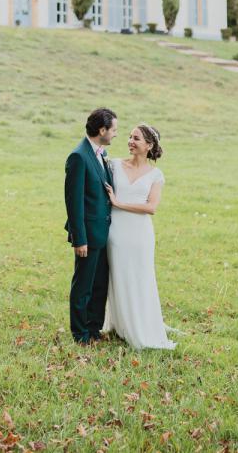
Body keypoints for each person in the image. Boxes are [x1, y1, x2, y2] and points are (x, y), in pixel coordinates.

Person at [101, 123, 177, 349]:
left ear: (149, 145)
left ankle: (140, 325)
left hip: (140, 234)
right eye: (129, 137)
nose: (130, 142)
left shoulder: (155, 174)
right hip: (116, 233)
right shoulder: (113, 165)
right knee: (119, 277)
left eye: (136, 139)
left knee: (141, 278)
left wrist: (118, 202)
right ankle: (119, 323)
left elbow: (151, 207)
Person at [64, 108, 118, 344]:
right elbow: (74, 202)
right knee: (83, 286)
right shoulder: (79, 156)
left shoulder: (101, 153)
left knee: (99, 285)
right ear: (102, 130)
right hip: (88, 234)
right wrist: (79, 238)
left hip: (104, 233)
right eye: (114, 129)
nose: (116, 134)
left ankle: (94, 328)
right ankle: (80, 333)